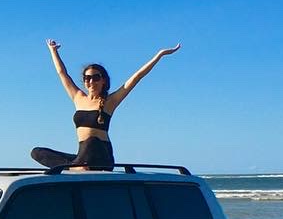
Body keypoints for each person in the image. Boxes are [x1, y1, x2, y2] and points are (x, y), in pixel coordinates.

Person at [31, 39, 182, 170]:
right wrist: (53, 51)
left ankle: (78, 167)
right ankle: (76, 167)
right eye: (87, 78)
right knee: (36, 152)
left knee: (91, 141)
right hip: (82, 155)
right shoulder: (78, 97)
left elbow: (137, 77)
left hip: (101, 156)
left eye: (95, 77)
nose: (90, 81)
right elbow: (62, 73)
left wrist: (160, 55)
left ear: (103, 80)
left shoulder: (110, 101)